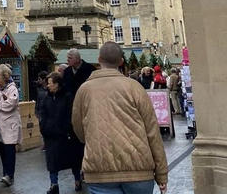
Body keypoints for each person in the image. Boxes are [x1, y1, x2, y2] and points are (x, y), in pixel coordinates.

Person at [72, 42, 168, 194]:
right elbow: (152, 131)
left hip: (99, 171)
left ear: (99, 59)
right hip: (138, 169)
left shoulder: (84, 90)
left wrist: (93, 140)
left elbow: (78, 129)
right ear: (121, 62)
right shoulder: (134, 87)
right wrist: (161, 173)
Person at [39, 72, 83, 193]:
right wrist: (44, 128)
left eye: (50, 83)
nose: (47, 86)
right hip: (50, 135)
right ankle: (54, 185)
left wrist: (66, 129)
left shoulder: (68, 97)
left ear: (57, 84)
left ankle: (77, 179)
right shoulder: (46, 98)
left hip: (65, 135)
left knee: (73, 160)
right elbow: (43, 114)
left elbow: (70, 115)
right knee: (52, 161)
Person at [0, 63, 22, 187]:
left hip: (9, 126)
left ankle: (10, 175)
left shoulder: (12, 88)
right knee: (2, 150)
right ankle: (6, 174)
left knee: (9, 151)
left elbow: (11, 103)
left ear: (4, 77)